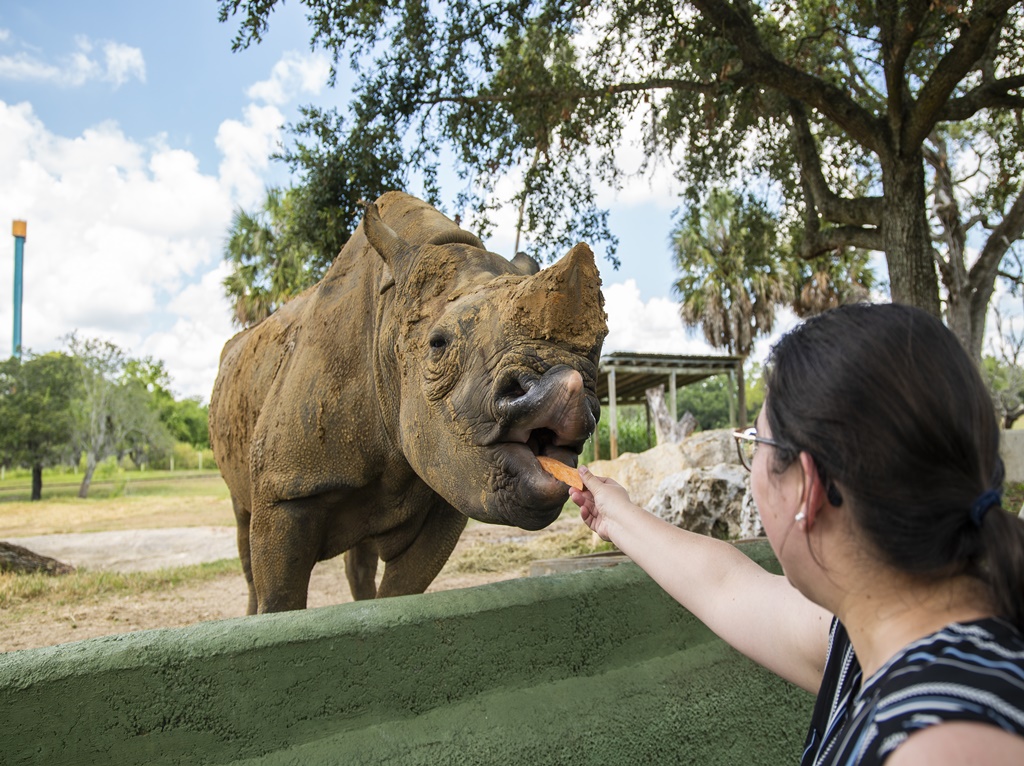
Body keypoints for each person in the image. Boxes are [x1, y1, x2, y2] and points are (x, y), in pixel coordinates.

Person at [571, 303, 1024, 765]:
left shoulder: (942, 746)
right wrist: (615, 515)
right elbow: (724, 585)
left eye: (757, 443)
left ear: (806, 486)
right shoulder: (876, 637)